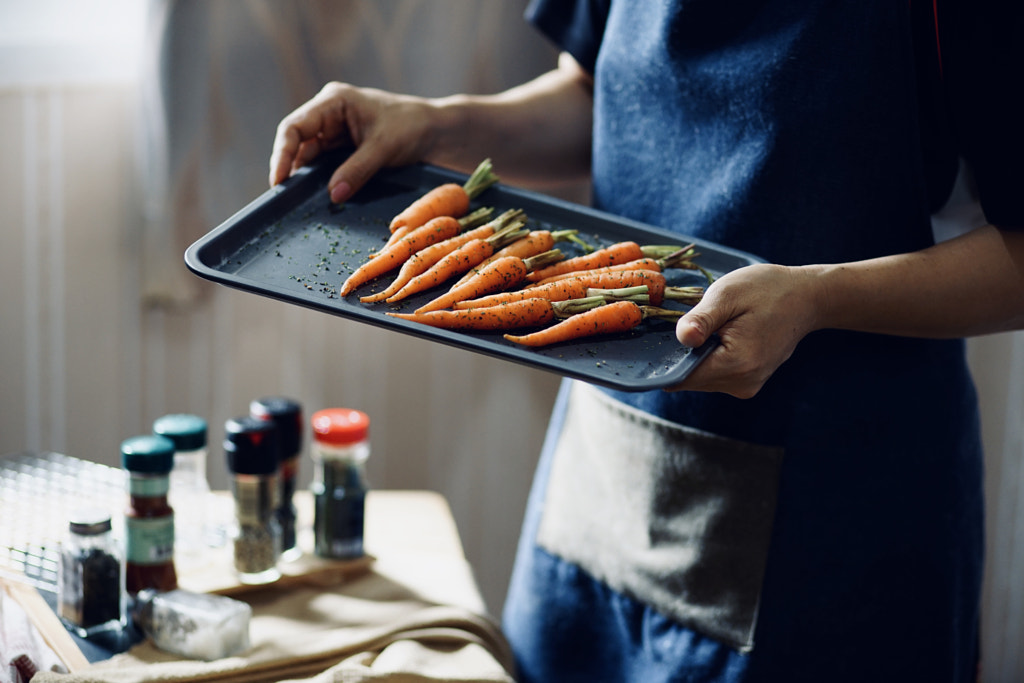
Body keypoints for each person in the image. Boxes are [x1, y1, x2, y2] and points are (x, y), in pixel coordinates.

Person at [269, 2, 1024, 681]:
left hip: (836, 512)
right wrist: (435, 125)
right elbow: (603, 96)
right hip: (607, 463)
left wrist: (816, 297)